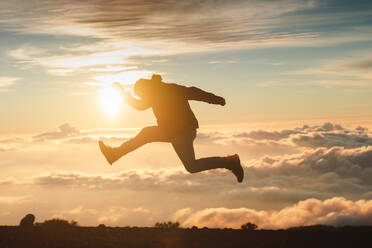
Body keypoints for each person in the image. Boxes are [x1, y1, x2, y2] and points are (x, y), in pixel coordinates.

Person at [99, 74, 244, 183]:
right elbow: (193, 92)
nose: (143, 97)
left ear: (145, 89)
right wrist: (215, 99)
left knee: (191, 166)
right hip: (173, 131)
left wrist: (123, 94)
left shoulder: (161, 91)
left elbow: (140, 106)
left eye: (142, 94)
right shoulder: (161, 90)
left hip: (181, 132)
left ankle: (230, 162)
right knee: (146, 133)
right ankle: (114, 154)